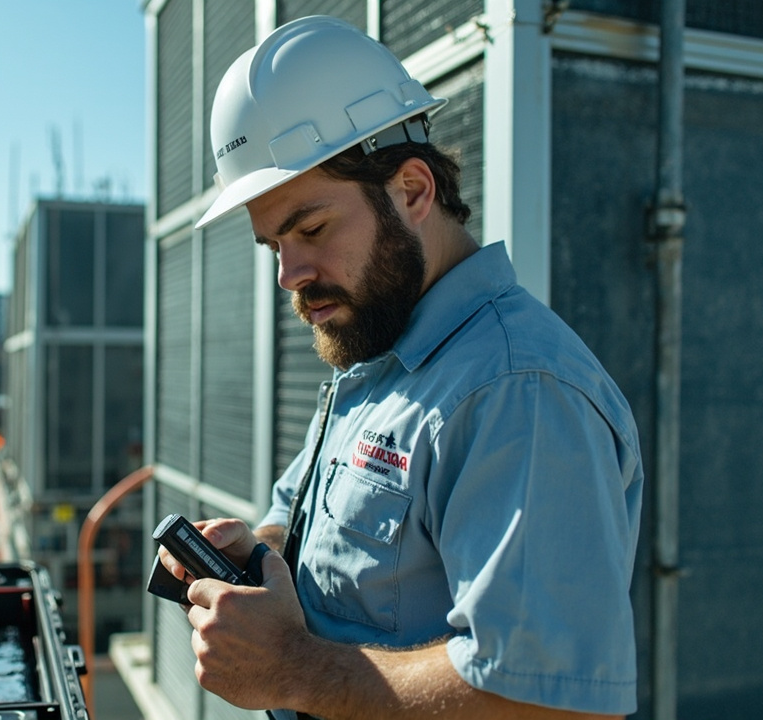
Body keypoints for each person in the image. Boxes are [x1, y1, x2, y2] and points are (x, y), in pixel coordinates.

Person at [156, 15, 644, 720]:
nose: (290, 275)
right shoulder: (379, 355)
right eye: (274, 247)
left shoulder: (518, 392)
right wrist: (257, 558)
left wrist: (291, 670)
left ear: (413, 190)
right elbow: (301, 526)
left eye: (311, 229)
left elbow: (550, 704)